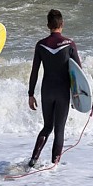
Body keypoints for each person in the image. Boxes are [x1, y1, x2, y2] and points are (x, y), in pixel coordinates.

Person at [27, 9, 81, 167]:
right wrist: (77, 95)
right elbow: (78, 72)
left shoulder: (41, 45)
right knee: (59, 129)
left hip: (47, 91)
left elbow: (34, 71)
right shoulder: (69, 44)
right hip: (63, 91)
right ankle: (54, 164)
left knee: (47, 126)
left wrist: (31, 94)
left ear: (48, 25)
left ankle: (34, 159)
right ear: (62, 24)